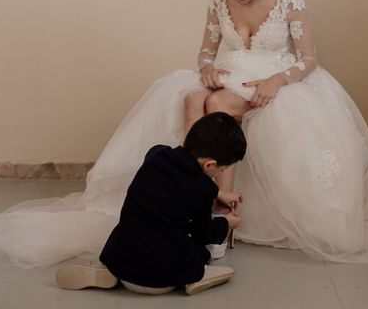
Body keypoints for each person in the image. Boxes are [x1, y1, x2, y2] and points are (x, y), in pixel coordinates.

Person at [0, 0, 368, 269]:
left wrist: (276, 81)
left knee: (215, 109)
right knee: (193, 99)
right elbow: (206, 51)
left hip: (276, 77)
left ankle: (217, 220)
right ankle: (202, 206)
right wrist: (208, 68)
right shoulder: (217, 0)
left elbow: (308, 59)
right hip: (231, 76)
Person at [55, 112, 245, 295]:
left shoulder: (157, 154)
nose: (219, 174)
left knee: (134, 232)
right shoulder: (203, 189)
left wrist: (218, 193)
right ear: (209, 164)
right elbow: (203, 233)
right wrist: (226, 223)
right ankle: (194, 277)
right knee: (199, 252)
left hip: (120, 258)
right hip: (160, 278)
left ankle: (110, 271)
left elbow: (178, 183)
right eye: (221, 169)